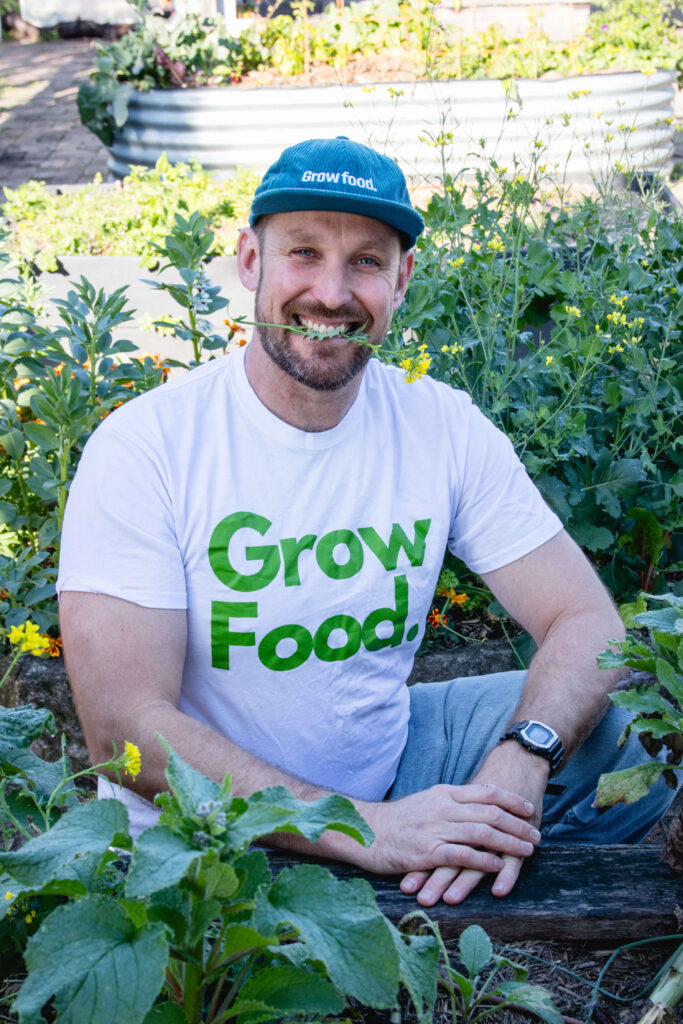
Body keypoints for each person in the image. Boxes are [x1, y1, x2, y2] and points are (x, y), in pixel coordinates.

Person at [57, 136, 674, 908]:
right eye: (304, 253)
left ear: (402, 279)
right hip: (205, 831)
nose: (331, 293)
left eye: (367, 262)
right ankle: (398, 889)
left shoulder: (438, 425)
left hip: (393, 770)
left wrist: (523, 755)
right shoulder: (149, 447)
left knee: (623, 735)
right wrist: (363, 830)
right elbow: (124, 733)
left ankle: (449, 872)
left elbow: (585, 618)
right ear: (250, 261)